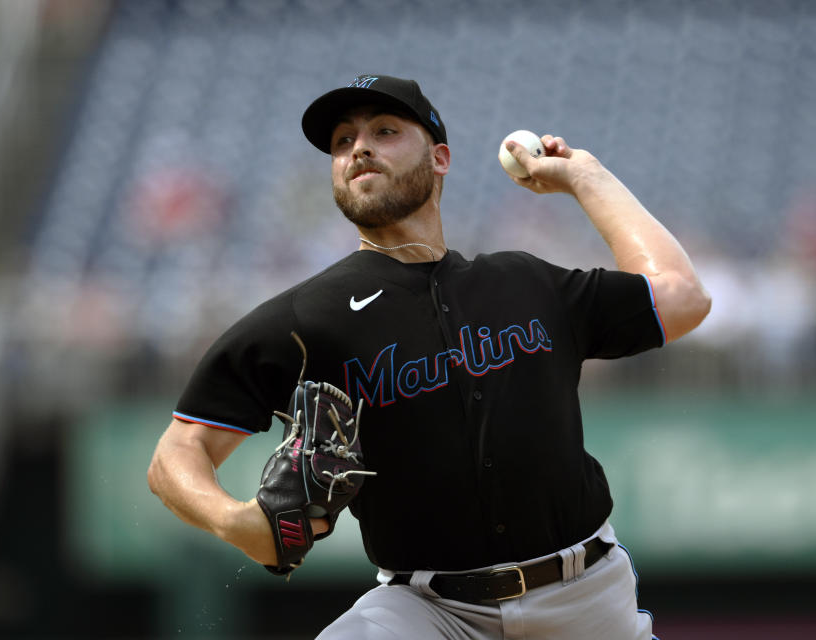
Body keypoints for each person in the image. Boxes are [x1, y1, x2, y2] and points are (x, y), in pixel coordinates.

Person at [148, 74, 711, 639]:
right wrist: (236, 522)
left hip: (585, 602)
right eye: (342, 142)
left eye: (385, 131)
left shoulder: (526, 282)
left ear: (440, 158)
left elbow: (682, 297)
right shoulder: (307, 318)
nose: (358, 148)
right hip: (429, 611)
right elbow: (177, 451)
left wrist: (585, 177)